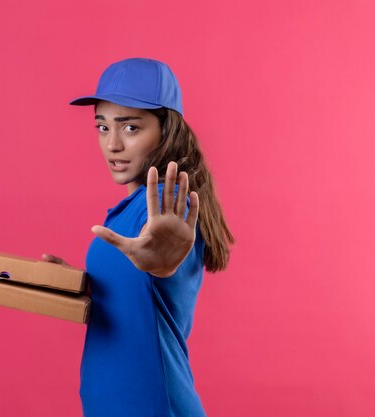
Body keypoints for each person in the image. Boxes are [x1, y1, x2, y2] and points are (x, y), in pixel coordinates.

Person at [43, 57, 234, 417]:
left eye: (130, 128)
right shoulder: (130, 208)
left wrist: (163, 264)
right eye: (102, 127)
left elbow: (163, 256)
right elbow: (137, 296)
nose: (112, 144)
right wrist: (82, 286)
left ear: (167, 130)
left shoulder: (165, 207)